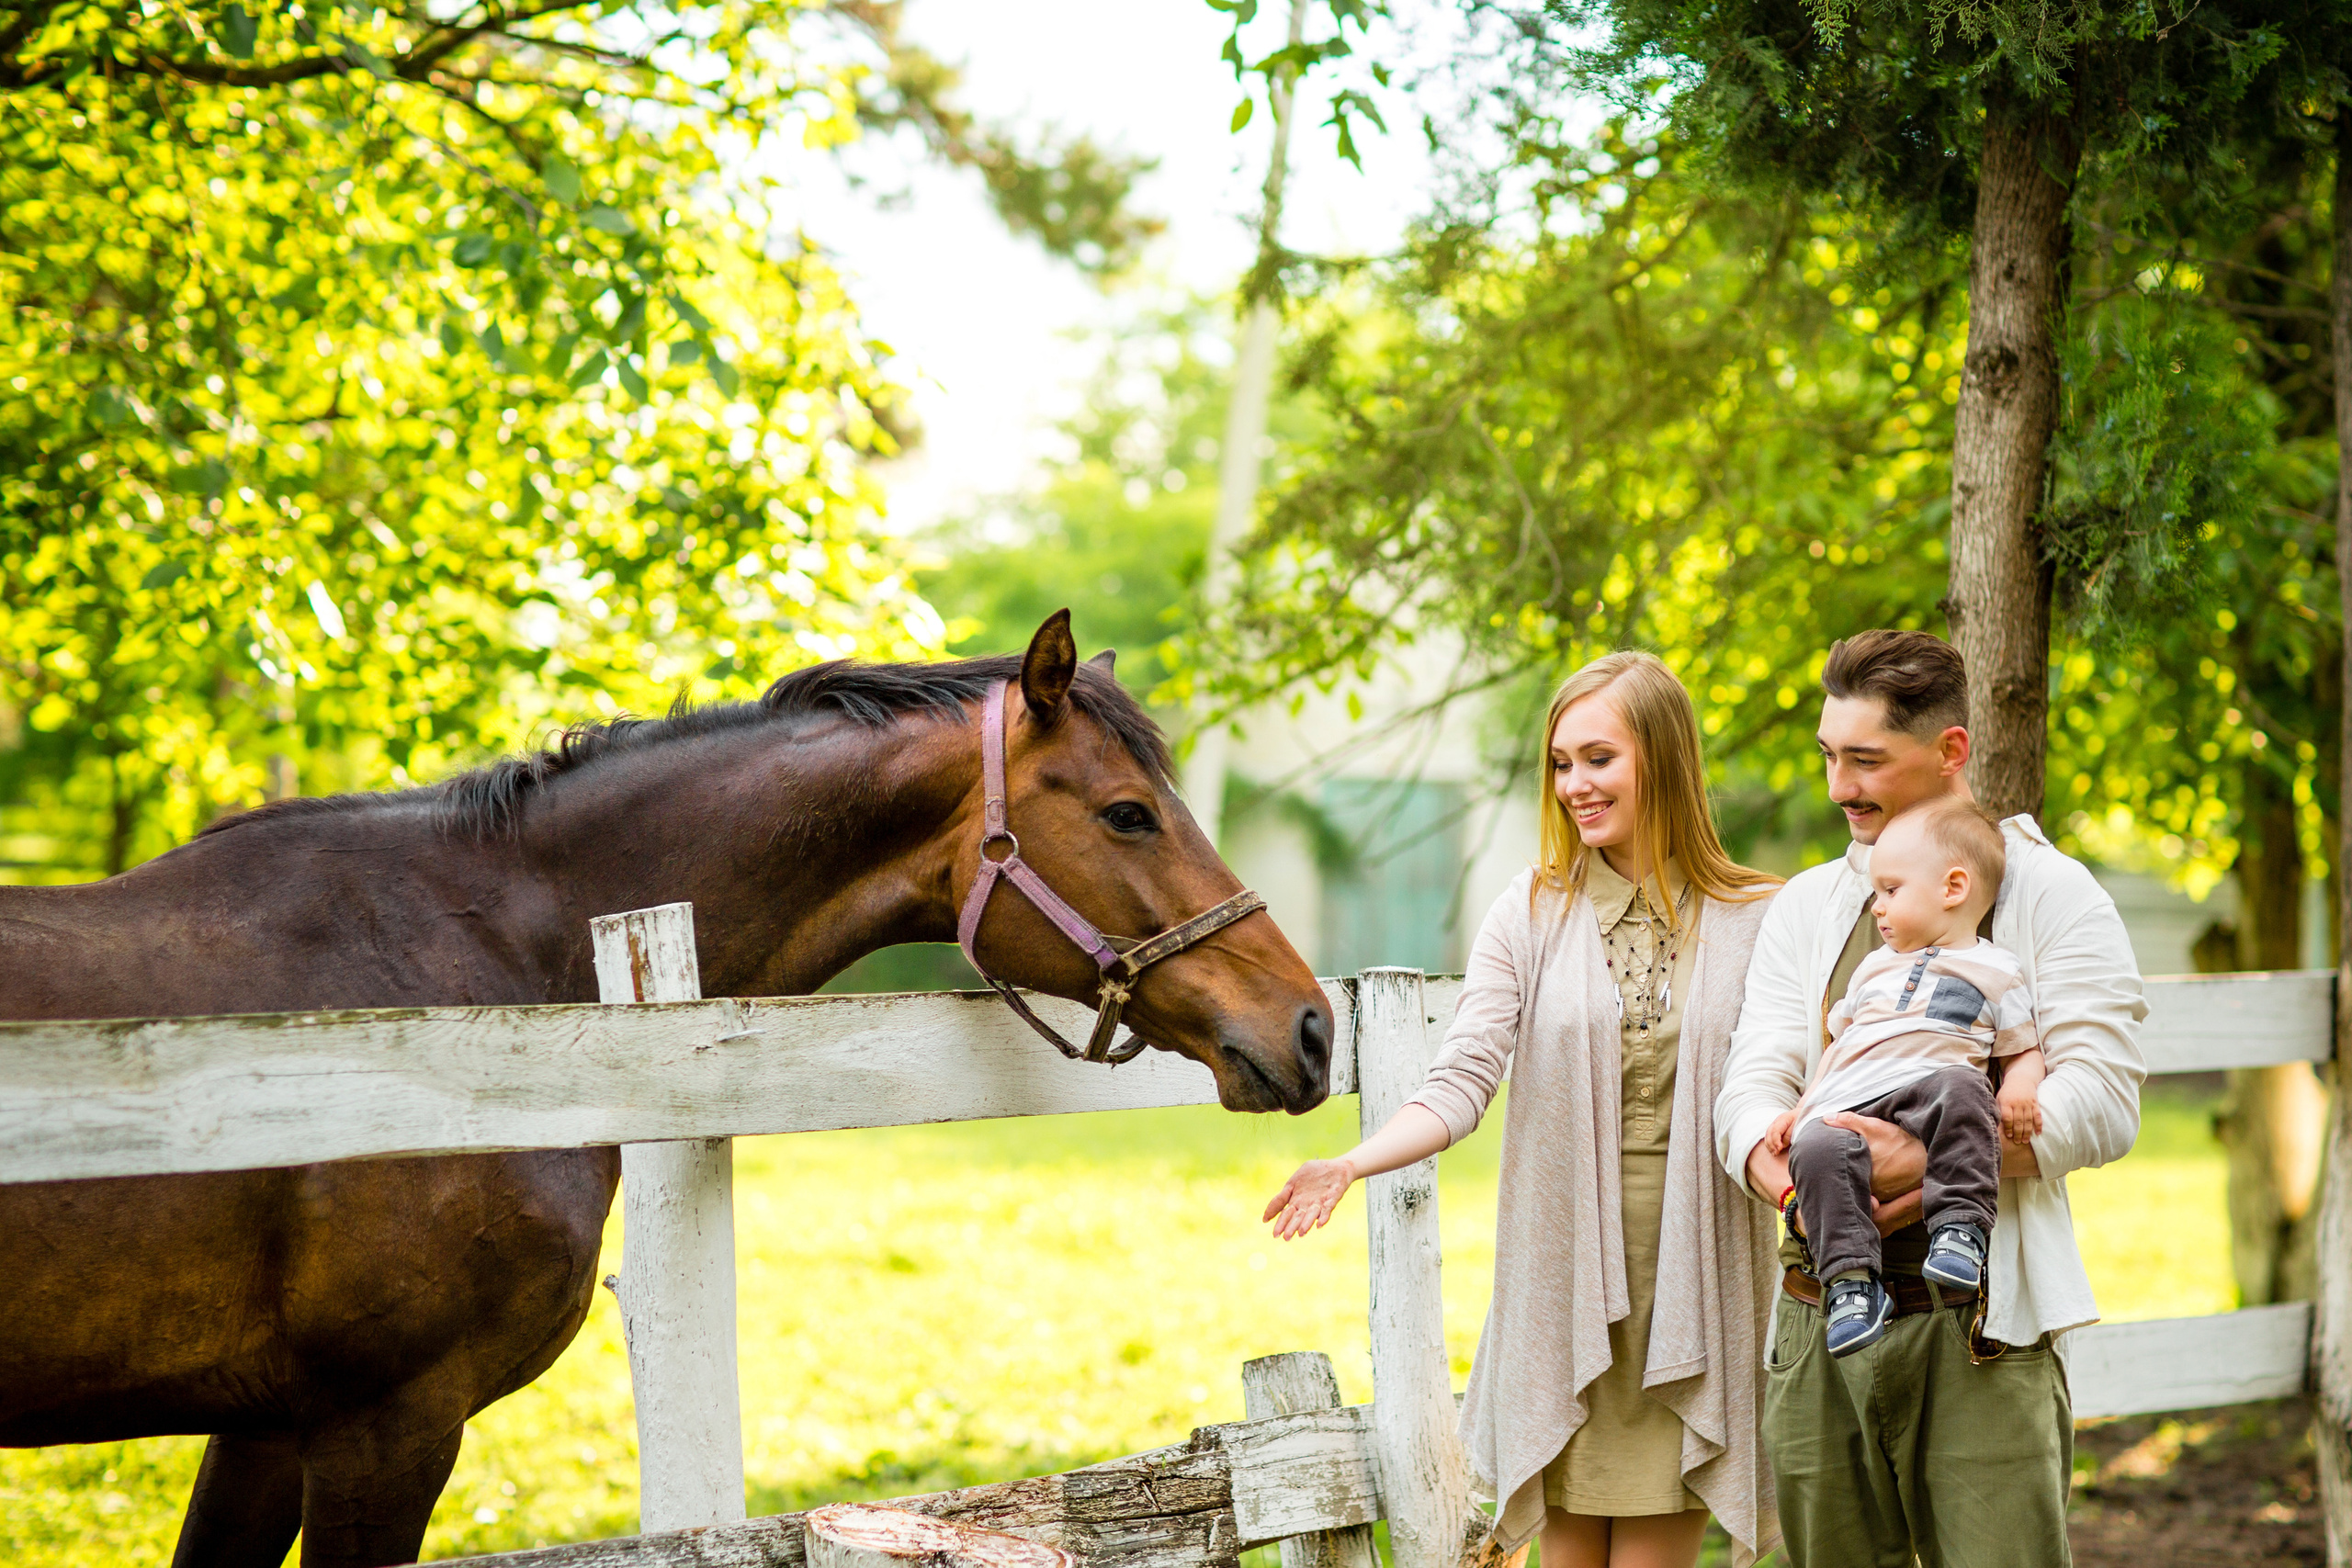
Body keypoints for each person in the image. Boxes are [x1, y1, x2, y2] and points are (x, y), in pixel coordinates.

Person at [1262, 651, 1784, 1568]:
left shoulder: (1760, 917)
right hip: (1566, 1287)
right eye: (1560, 764)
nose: (1574, 785)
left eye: (1598, 758)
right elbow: (1464, 1077)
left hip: (1695, 1289)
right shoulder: (1532, 911)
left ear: (1660, 758)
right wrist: (1352, 1163)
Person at [1714, 628, 2146, 1567]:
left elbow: (2104, 1101)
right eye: (1829, 756)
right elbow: (1752, 1080)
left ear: (1950, 750)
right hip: (1818, 1311)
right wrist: (1780, 1168)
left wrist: (1935, 1159)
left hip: (1981, 1329)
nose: (1839, 787)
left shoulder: (2054, 897)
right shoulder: (1808, 906)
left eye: (1866, 759)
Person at [1765, 796, 2042, 1356]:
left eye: (1891, 891)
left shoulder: (1997, 970)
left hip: (1929, 1086)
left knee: (1969, 1093)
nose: (1877, 908)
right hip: (1852, 1097)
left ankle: (1961, 1229)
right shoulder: (1873, 969)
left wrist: (2019, 1087)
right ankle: (1848, 1284)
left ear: (1953, 888)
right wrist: (1807, 1105)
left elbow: (2023, 1047)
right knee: (1817, 1148)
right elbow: (1838, 1047)